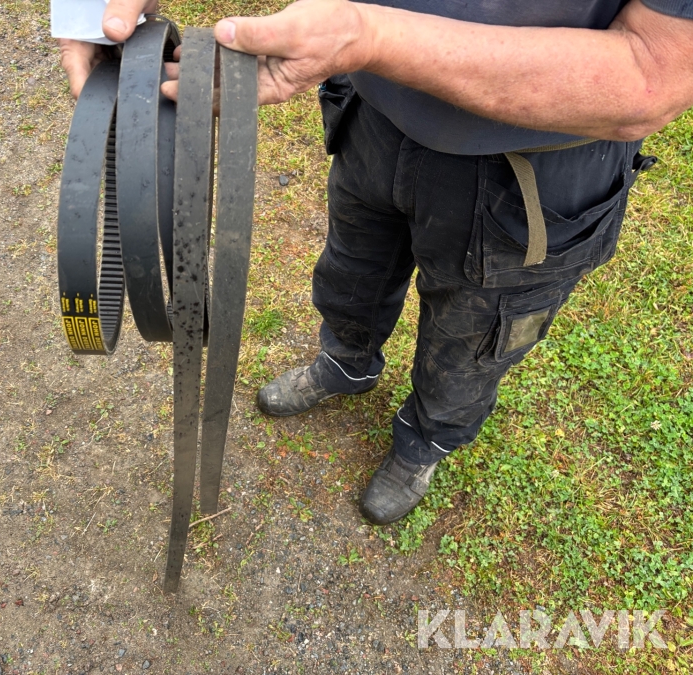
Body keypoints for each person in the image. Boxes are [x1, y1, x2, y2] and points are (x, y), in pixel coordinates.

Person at [59, 0, 693, 525]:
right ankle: (346, 363)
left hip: (533, 166)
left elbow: (649, 77)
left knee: (472, 340)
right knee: (352, 273)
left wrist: (367, 36)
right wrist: (91, 11)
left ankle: (426, 441)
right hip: (376, 118)